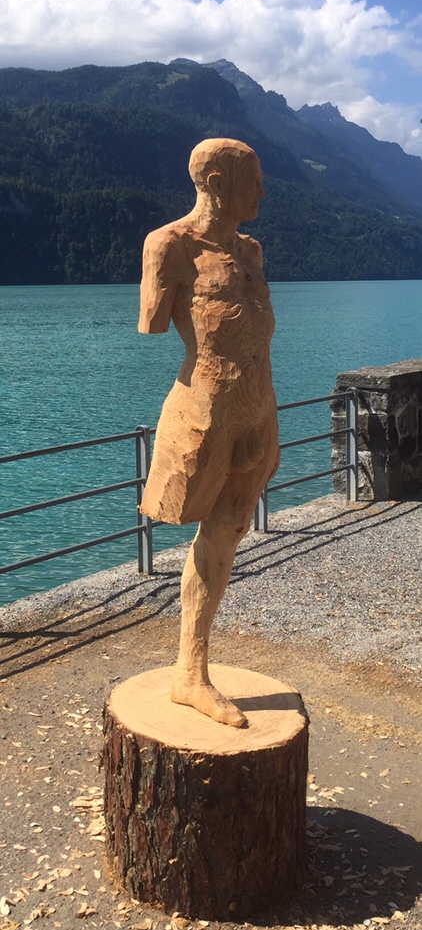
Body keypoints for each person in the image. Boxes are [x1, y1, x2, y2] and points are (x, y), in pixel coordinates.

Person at [139, 138, 280, 727]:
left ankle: (190, 670)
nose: (263, 190)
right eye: (254, 179)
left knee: (231, 528)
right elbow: (152, 321)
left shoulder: (251, 251)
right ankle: (190, 672)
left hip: (258, 406)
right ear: (217, 182)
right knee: (212, 529)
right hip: (205, 411)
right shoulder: (169, 245)